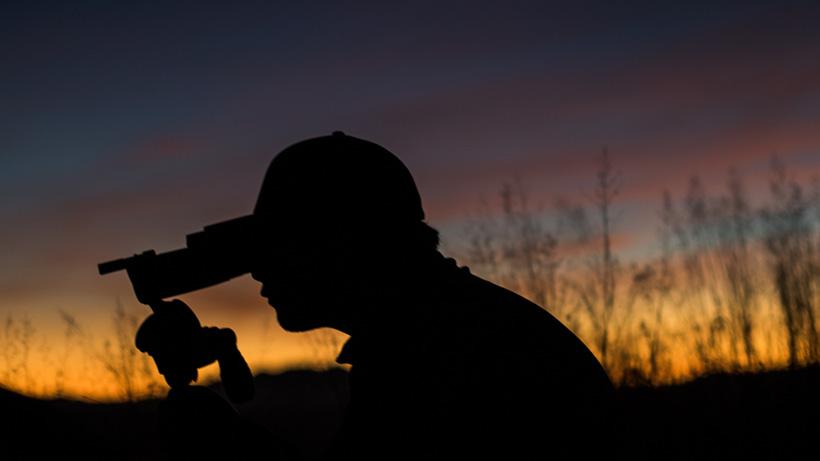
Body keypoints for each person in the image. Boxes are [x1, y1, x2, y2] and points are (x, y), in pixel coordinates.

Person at [136, 132, 617, 460]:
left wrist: (225, 445)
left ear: (346, 242)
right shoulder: (442, 326)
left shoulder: (441, 352)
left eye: (285, 243)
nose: (260, 268)